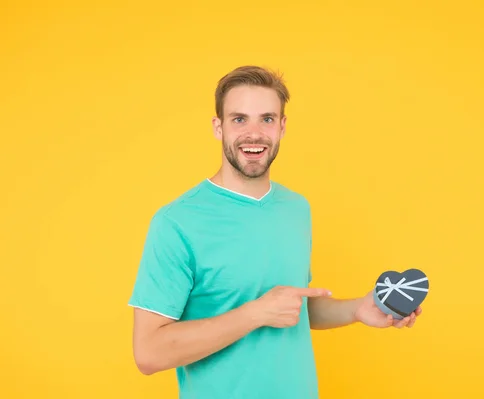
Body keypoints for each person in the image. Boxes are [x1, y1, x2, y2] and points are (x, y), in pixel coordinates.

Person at [127, 65, 422, 399]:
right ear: (218, 127)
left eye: (266, 119)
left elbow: (291, 309)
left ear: (281, 127)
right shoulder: (176, 222)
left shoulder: (296, 209)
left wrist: (356, 309)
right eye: (239, 119)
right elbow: (149, 353)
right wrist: (255, 313)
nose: (254, 133)